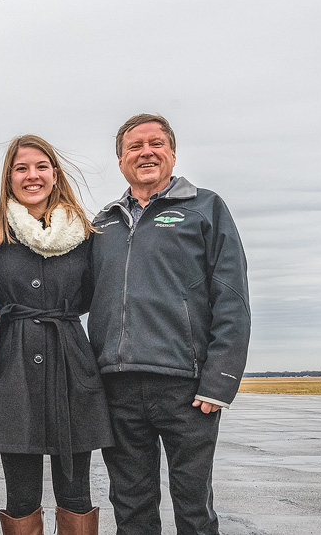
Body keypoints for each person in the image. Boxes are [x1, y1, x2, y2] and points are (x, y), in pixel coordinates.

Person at [87, 114, 250, 535]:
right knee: (131, 506)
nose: (146, 151)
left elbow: (231, 299)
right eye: (134, 146)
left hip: (187, 388)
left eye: (156, 143)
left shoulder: (205, 208)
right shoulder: (103, 223)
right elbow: (74, 292)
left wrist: (220, 380)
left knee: (193, 507)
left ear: (172, 153)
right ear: (120, 160)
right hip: (117, 385)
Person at [0, 135, 113, 535]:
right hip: (11, 369)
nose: (31, 175)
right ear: (9, 177)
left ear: (55, 174)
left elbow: (93, 294)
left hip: (72, 364)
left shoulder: (85, 234)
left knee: (76, 492)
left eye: (40, 167)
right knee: (20, 495)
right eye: (21, 168)